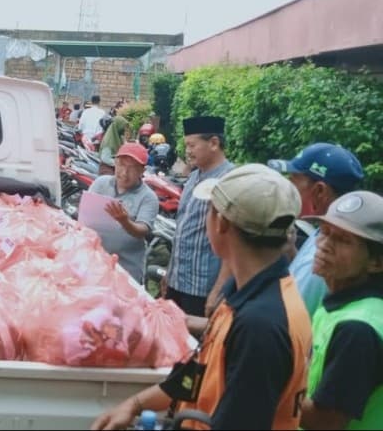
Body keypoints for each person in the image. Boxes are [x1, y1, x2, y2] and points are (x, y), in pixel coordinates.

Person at [92, 164, 311, 430]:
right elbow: (198, 373)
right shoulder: (246, 294)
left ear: (221, 224)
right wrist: (135, 404)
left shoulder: (260, 324)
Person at [299, 191, 383, 429]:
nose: (324, 246)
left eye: (343, 240)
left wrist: (261, 383)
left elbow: (325, 421)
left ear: (376, 262)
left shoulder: (359, 329)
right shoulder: (341, 302)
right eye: (324, 232)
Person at [267, 143, 364, 317]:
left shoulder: (329, 254)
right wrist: (291, 252)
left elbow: (289, 317)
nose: (287, 189)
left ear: (319, 191)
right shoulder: (325, 233)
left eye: (293, 181)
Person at [164, 116, 234, 317]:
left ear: (213, 143)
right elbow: (183, 230)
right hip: (178, 281)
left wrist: (218, 289)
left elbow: (232, 244)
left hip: (202, 288)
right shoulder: (194, 176)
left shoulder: (228, 181)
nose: (187, 151)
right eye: (186, 145)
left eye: (192, 145)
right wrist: (170, 273)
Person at [88, 143, 159, 282]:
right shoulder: (101, 183)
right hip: (94, 263)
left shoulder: (148, 197)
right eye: (121, 165)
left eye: (132, 168)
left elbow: (143, 229)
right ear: (115, 163)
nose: (124, 173)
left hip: (125, 270)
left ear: (142, 171)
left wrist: (125, 222)